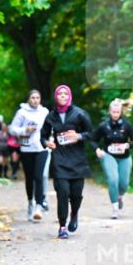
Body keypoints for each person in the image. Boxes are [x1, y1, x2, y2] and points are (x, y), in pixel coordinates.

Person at [40, 85, 93, 239]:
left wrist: (79, 136)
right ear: (56, 97)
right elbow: (42, 136)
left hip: (77, 160)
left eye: (65, 93)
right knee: (62, 193)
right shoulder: (50, 116)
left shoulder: (79, 114)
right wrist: (46, 142)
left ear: (69, 96)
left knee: (76, 194)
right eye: (60, 94)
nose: (62, 96)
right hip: (59, 160)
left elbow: (92, 134)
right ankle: (62, 226)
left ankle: (74, 213)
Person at [93, 99, 133, 219]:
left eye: (118, 112)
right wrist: (97, 149)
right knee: (113, 180)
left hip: (124, 157)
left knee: (124, 184)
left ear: (121, 112)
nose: (115, 114)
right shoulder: (104, 125)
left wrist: (126, 145)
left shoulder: (126, 125)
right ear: (109, 111)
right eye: (113, 112)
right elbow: (93, 139)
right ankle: (115, 209)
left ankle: (119, 196)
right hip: (109, 155)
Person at [10, 90, 50, 221]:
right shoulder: (22, 112)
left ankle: (38, 206)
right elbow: (12, 129)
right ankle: (30, 203)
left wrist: (51, 139)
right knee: (29, 178)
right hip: (27, 148)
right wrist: (24, 130)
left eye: (38, 98)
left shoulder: (45, 112)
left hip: (41, 148)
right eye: (33, 98)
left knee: (39, 176)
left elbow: (51, 127)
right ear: (28, 99)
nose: (35, 100)